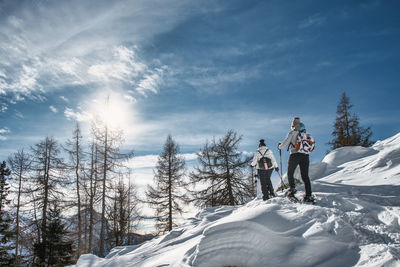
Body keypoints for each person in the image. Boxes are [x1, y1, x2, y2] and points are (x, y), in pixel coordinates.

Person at [278, 117, 314, 203]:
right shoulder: (305, 133)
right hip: (305, 156)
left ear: (293, 125)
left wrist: (279, 146)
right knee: (305, 176)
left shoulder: (292, 133)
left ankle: (292, 189)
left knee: (290, 173)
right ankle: (308, 195)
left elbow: (285, 144)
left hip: (294, 155)